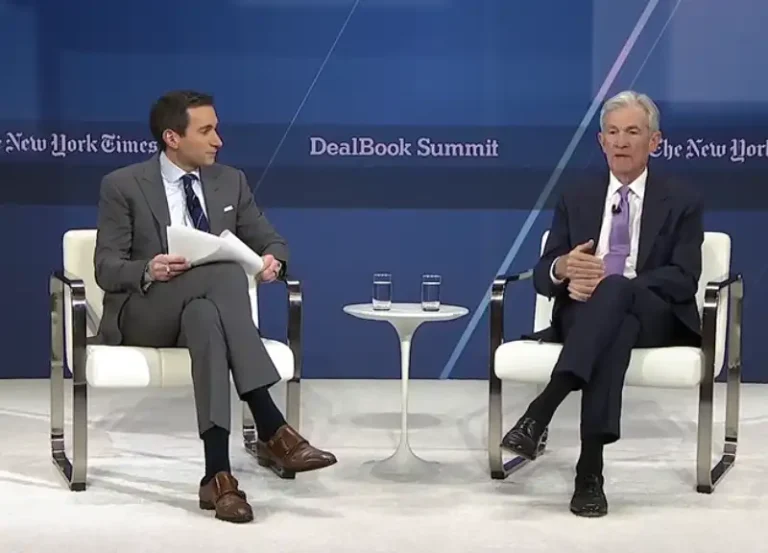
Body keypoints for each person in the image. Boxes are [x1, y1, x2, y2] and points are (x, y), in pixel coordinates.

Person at [94, 90, 337, 524]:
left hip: (201, 313)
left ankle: (217, 477)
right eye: (206, 131)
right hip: (147, 312)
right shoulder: (124, 185)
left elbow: (271, 239)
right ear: (172, 137)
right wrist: (148, 268)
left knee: (205, 317)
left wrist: (274, 261)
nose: (218, 140)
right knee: (225, 274)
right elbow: (106, 267)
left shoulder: (230, 181)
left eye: (216, 129)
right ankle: (271, 425)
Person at [500, 90, 703, 517]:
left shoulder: (682, 199)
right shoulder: (576, 195)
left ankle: (542, 409)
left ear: (654, 141)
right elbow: (543, 272)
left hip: (654, 315)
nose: (621, 142)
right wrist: (564, 268)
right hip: (587, 314)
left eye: (632, 132)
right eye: (612, 132)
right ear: (601, 141)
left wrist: (620, 284)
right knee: (615, 329)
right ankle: (588, 473)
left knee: (616, 293)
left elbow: (684, 278)